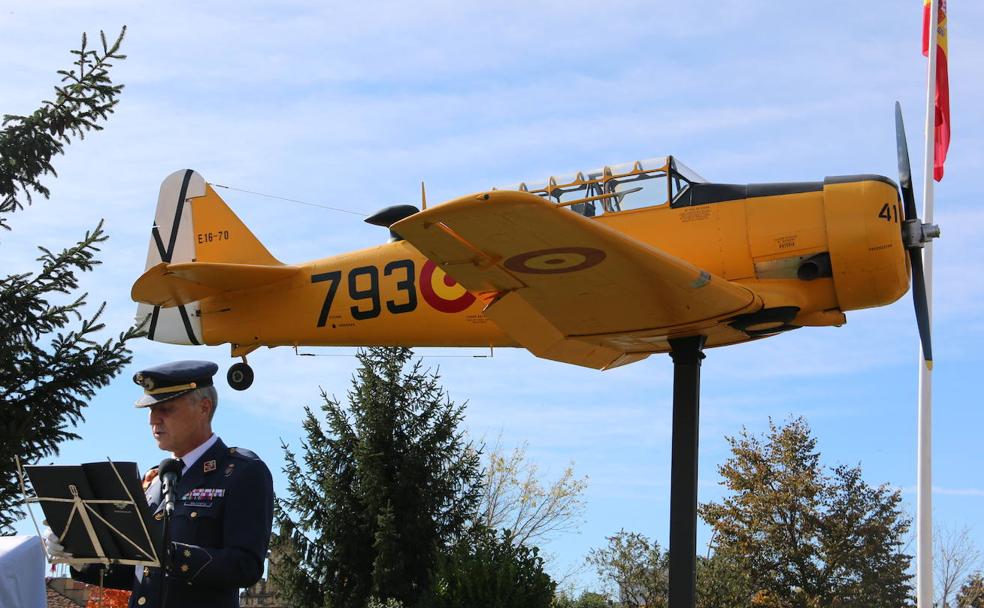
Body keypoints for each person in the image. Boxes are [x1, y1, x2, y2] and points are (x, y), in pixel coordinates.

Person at [44, 360, 274, 608]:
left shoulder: (241, 473)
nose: (153, 420)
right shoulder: (156, 480)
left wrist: (169, 554)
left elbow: (245, 566)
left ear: (203, 408)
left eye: (166, 408)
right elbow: (138, 573)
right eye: (150, 410)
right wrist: (81, 557)